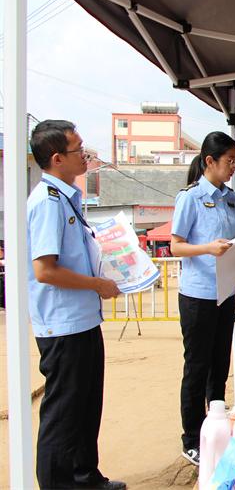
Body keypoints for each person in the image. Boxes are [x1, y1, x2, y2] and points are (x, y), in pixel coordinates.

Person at [27, 120, 125, 489]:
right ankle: (57, 484)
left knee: (86, 406)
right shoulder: (47, 203)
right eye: (78, 150)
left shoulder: (67, 196)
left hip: (82, 320)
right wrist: (98, 284)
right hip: (62, 324)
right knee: (64, 412)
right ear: (56, 158)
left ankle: (86, 477)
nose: (85, 156)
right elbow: (46, 271)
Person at [170, 131, 235, 466]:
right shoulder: (189, 198)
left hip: (225, 293)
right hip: (198, 296)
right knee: (198, 367)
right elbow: (175, 245)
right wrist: (207, 247)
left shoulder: (232, 199)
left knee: (220, 366)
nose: (233, 167)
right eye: (229, 161)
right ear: (209, 162)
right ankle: (192, 438)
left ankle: (215, 426)